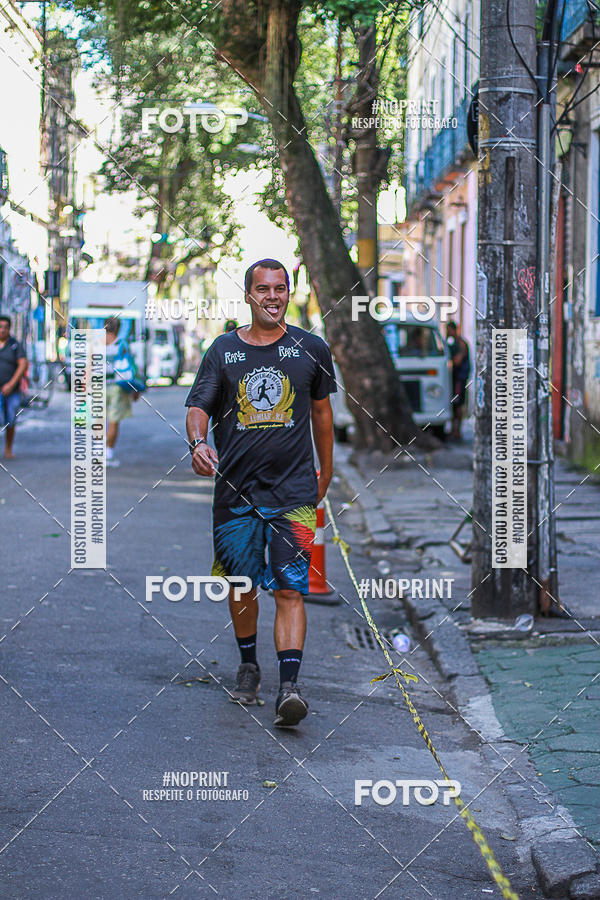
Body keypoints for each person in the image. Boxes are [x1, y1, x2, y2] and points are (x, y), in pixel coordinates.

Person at [186, 258, 336, 728]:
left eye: (280, 288)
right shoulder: (223, 350)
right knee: (242, 584)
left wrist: (324, 479)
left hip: (293, 492)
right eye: (263, 289)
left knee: (291, 589)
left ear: (288, 293)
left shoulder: (311, 348)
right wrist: (198, 443)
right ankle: (249, 664)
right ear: (248, 295)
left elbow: (323, 417)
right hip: (236, 493)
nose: (272, 296)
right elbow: (198, 406)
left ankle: (289, 686)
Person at [104, 317, 139, 467]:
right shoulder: (122, 345)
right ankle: (108, 454)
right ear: (118, 329)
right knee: (113, 420)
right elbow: (130, 369)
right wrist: (135, 390)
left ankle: (98, 453)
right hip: (118, 386)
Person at [0, 315, 27, 459]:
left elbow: (22, 364)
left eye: (5, 327)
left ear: (9, 329)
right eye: (0, 327)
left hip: (12, 390)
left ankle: (8, 448)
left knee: (11, 419)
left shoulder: (15, 345)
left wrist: (11, 384)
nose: (3, 330)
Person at [446, 320, 471, 440]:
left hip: (459, 379)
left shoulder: (461, 344)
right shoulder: (453, 343)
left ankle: (457, 430)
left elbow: (458, 361)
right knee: (454, 404)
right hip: (455, 378)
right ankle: (454, 429)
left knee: (458, 404)